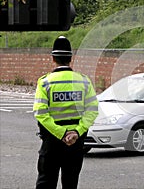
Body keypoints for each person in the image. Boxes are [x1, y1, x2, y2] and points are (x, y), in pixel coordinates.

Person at [33, 36, 98, 189]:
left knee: (46, 182)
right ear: (71, 58)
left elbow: (41, 113)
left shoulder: (45, 82)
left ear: (53, 58)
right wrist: (76, 131)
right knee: (71, 182)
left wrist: (61, 133)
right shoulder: (84, 81)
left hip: (52, 142)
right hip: (75, 142)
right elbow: (92, 111)